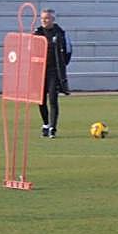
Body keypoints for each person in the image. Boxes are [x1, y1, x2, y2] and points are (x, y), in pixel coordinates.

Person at [34, 9, 71, 138]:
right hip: (40, 71)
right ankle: (45, 124)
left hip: (53, 71)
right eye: (42, 18)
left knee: (53, 100)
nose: (44, 20)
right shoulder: (37, 33)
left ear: (53, 19)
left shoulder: (60, 33)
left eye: (47, 18)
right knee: (40, 100)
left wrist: (61, 65)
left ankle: (53, 128)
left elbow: (68, 51)